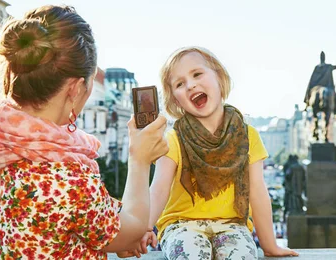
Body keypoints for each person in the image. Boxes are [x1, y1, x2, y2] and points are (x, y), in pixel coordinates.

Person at [0, 5, 168, 259]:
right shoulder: (67, 176)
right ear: (76, 88)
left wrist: (116, 234)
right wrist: (140, 159)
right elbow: (129, 229)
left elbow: (95, 225)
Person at [123, 46, 299, 259]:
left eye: (197, 74)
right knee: (191, 253)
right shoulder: (174, 138)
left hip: (232, 226)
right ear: (175, 99)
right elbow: (159, 188)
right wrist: (145, 227)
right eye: (180, 84)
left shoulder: (248, 136)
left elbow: (258, 192)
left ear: (219, 77)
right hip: (181, 225)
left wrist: (270, 245)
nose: (191, 85)